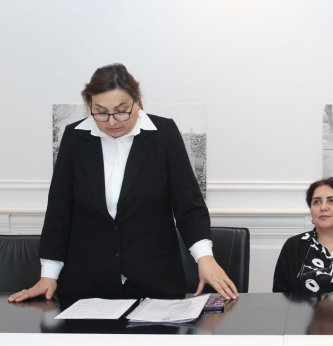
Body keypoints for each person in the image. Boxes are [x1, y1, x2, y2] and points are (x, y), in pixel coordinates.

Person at [9, 63, 238, 303]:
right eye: (101, 112)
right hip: (86, 283)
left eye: (121, 111)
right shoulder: (75, 137)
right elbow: (59, 210)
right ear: (89, 105)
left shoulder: (164, 133)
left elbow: (188, 205)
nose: (111, 121)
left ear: (137, 102)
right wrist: (48, 275)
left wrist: (205, 258)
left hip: (156, 280)